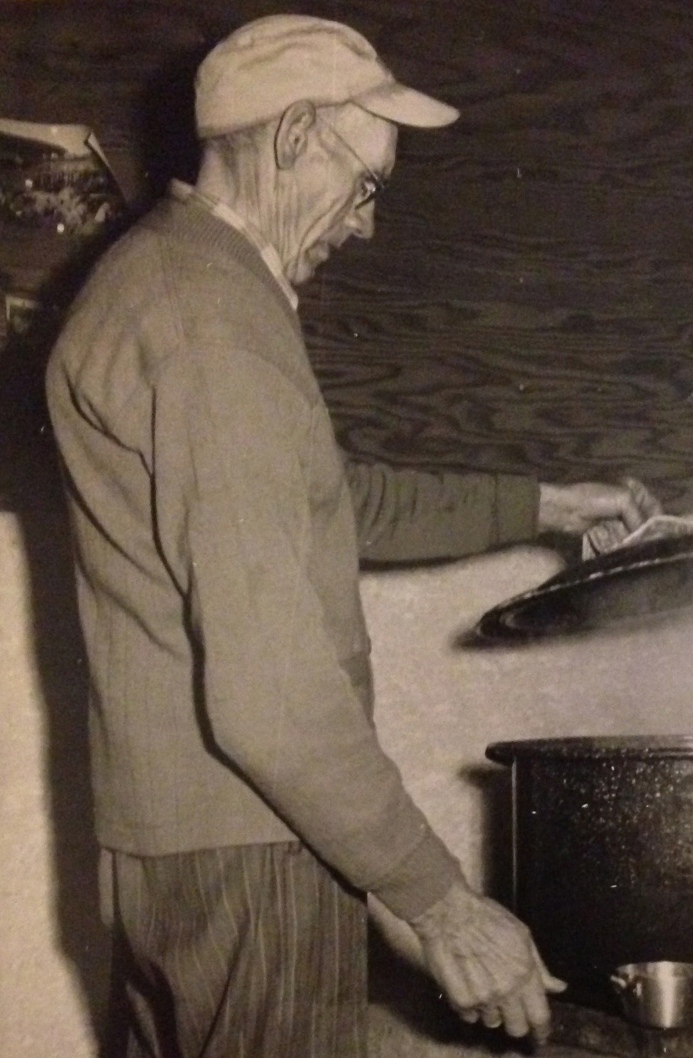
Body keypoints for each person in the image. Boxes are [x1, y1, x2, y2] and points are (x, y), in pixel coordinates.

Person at [45, 14, 660, 1058]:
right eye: (368, 183)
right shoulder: (214, 325)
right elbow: (271, 700)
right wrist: (442, 902)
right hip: (257, 847)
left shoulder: (161, 280)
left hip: (174, 846)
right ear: (291, 137)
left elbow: (333, 498)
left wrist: (546, 504)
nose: (366, 225)